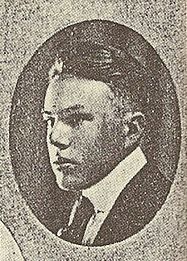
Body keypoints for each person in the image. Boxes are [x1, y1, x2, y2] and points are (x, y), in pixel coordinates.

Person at [42, 42, 171, 246]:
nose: (54, 138)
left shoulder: (163, 211)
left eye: (76, 119)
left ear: (131, 130)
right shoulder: (83, 209)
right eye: (50, 120)